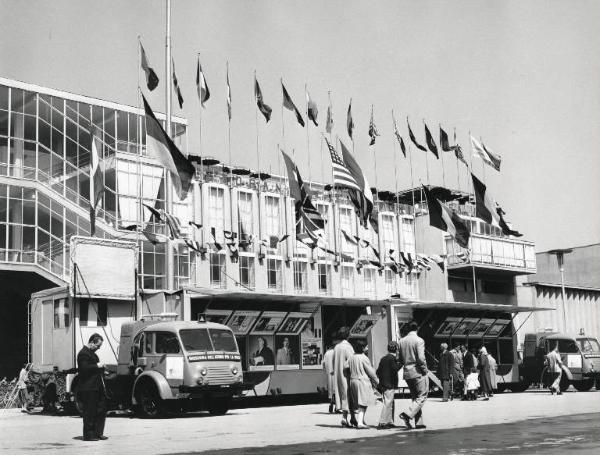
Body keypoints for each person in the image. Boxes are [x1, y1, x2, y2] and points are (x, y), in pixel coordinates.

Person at [76, 333, 108, 441]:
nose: (99, 348)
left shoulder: (92, 354)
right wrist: (97, 366)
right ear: (92, 342)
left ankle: (98, 432)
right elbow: (84, 368)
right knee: (89, 412)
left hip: (97, 387)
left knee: (101, 409)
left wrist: (102, 369)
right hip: (88, 387)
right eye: (98, 345)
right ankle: (88, 435)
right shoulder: (83, 354)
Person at [398, 321, 429, 430]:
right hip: (417, 371)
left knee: (415, 398)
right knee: (422, 396)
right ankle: (407, 414)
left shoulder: (401, 341)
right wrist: (425, 369)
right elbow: (421, 358)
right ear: (417, 328)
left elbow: (400, 359)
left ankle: (419, 422)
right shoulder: (419, 340)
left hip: (407, 371)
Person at [348, 339, 379, 429]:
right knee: (363, 402)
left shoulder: (351, 357)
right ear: (362, 348)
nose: (367, 348)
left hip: (353, 380)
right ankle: (360, 422)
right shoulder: (364, 358)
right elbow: (371, 372)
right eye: (366, 346)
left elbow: (345, 367)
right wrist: (377, 381)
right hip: (362, 381)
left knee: (357, 402)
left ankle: (361, 420)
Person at [333, 327, 356, 427]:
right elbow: (351, 361)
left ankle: (351, 418)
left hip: (338, 374)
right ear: (347, 335)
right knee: (348, 395)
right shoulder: (348, 347)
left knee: (343, 395)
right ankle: (345, 418)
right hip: (347, 375)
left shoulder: (336, 347)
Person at [376, 341, 401, 429]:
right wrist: (401, 363)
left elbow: (377, 372)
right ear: (396, 350)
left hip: (384, 384)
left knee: (390, 403)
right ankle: (382, 422)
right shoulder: (392, 358)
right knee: (388, 403)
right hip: (390, 384)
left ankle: (389, 421)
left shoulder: (383, 358)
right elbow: (395, 369)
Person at [322, 342, 337, 413]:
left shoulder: (326, 353)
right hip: (336, 374)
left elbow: (323, 363)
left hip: (329, 374)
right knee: (337, 391)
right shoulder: (336, 352)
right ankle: (337, 407)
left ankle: (331, 404)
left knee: (330, 391)